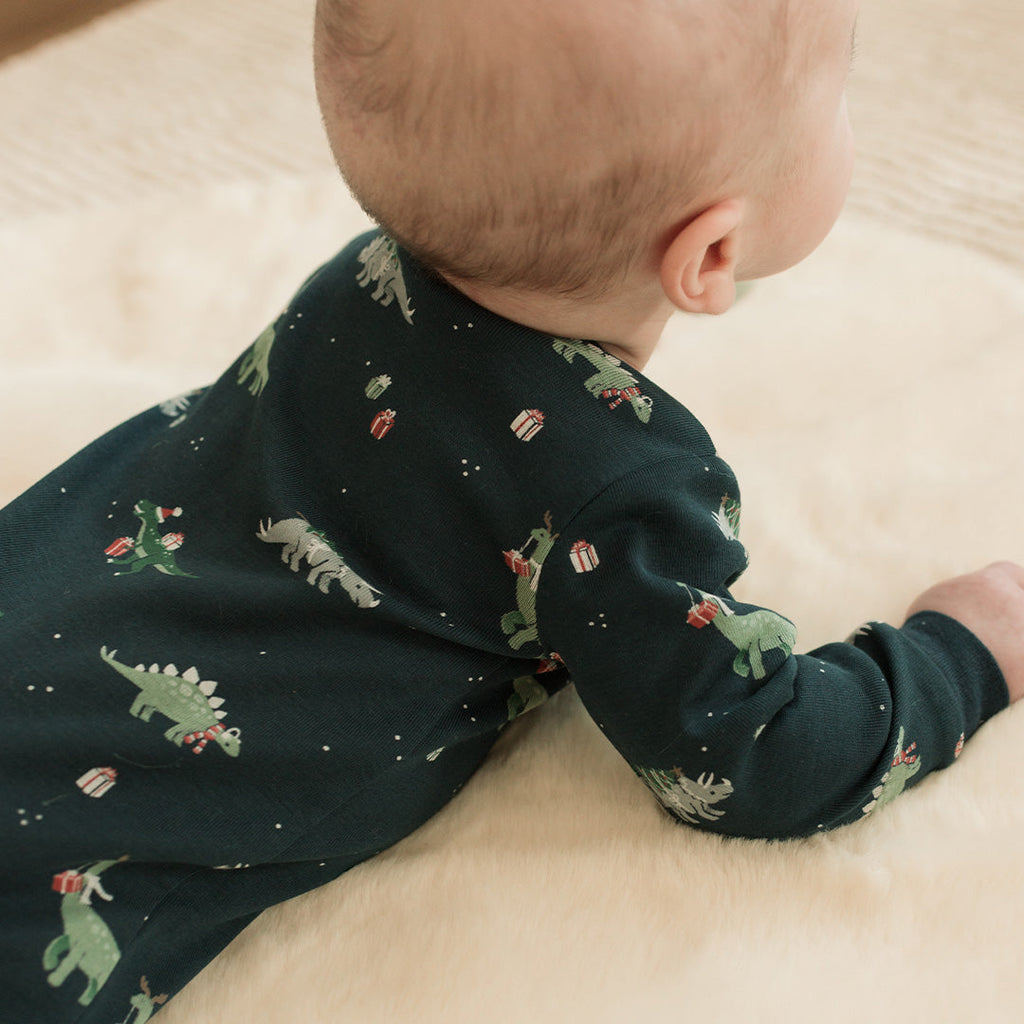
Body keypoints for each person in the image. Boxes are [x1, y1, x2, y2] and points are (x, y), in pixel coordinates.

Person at [2, 0, 1022, 1019]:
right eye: (842, 96)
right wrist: (957, 656)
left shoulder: (356, 285)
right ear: (710, 256)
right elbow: (751, 756)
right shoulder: (614, 496)